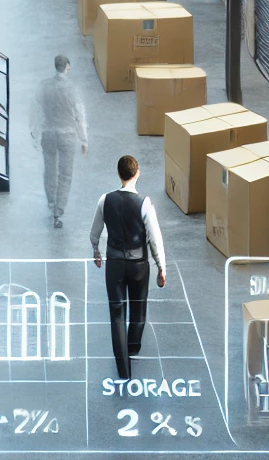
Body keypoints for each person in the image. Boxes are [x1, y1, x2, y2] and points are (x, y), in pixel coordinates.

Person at [89, 155, 167, 380]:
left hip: (114, 264)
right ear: (137, 173)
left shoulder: (105, 200)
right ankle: (133, 346)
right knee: (138, 308)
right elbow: (154, 238)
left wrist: (96, 251)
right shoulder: (144, 203)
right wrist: (161, 267)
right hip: (139, 264)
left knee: (117, 315)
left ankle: (123, 369)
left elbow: (95, 232)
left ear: (119, 174)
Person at [32, 55, 87, 228]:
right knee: (65, 174)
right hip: (67, 135)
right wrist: (84, 139)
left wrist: (35, 133)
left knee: (49, 169)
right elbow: (80, 115)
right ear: (67, 67)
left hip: (48, 133)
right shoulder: (72, 89)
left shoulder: (43, 86)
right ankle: (59, 209)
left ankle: (51, 200)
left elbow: (36, 111)